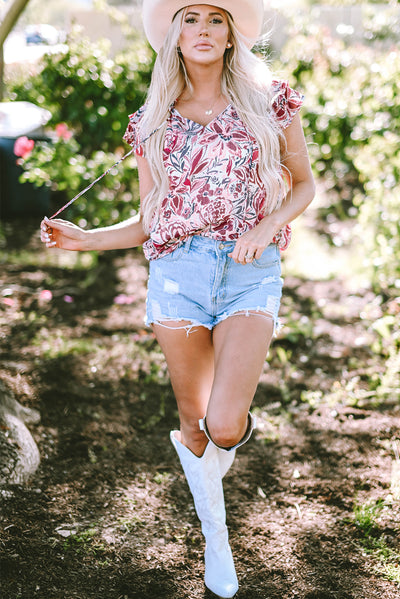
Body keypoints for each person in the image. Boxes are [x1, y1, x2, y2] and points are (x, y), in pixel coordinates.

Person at [41, 1, 315, 596]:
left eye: (215, 19)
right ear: (174, 33)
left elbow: (304, 185)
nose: (203, 31)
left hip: (251, 272)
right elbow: (149, 218)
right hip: (177, 276)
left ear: (231, 33)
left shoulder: (272, 102)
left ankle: (218, 456)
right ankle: (219, 542)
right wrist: (87, 239)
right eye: (190, 19)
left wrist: (266, 227)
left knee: (222, 424)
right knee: (194, 426)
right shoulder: (152, 122)